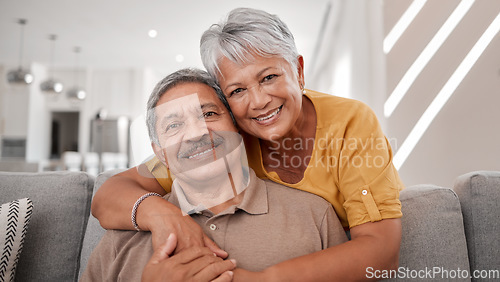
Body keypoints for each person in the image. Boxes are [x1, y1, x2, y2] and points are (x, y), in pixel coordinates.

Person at [91, 7, 404, 280]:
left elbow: (381, 248)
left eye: (269, 77)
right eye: (237, 91)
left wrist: (262, 280)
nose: (259, 102)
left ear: (298, 70)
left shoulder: (350, 123)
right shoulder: (221, 142)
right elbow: (109, 194)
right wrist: (165, 216)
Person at [81, 68, 347, 281]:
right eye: (174, 125)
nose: (197, 133)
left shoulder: (315, 216)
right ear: (160, 154)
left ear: (238, 128)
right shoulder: (123, 236)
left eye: (208, 114)